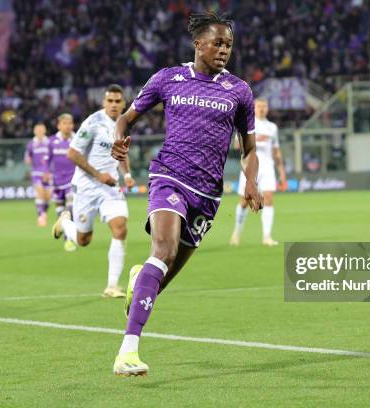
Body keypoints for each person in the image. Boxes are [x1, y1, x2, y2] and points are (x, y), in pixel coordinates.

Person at [110, 11, 262, 377]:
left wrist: (251, 181)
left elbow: (249, 148)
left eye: (228, 45)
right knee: (164, 249)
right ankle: (127, 351)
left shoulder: (238, 91)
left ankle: (141, 278)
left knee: (162, 274)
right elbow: (125, 117)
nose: (224, 50)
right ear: (199, 44)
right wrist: (119, 142)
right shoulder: (169, 78)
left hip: (208, 194)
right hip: (169, 176)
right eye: (217, 43)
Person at [51, 84, 136, 296]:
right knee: (83, 240)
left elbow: (121, 151)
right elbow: (72, 153)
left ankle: (112, 285)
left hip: (110, 186)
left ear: (124, 103)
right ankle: (65, 223)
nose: (114, 105)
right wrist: (98, 175)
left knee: (120, 228)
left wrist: (126, 175)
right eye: (110, 101)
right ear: (104, 102)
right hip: (87, 186)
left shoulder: (125, 123)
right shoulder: (93, 123)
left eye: (118, 101)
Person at [230, 98, 286, 246]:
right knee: (244, 202)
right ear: (254, 108)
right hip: (250, 166)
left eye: (264, 106)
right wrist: (254, 140)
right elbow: (237, 145)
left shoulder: (272, 127)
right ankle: (237, 231)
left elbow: (276, 151)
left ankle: (267, 236)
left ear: (267, 108)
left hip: (267, 166)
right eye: (259, 106)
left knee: (268, 198)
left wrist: (281, 172)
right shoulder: (247, 122)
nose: (262, 108)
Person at [48, 113, 77, 252]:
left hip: (73, 180)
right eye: (65, 123)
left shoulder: (78, 139)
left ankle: (68, 239)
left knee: (70, 209)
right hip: (56, 181)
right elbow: (46, 161)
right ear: (59, 125)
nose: (68, 126)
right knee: (60, 210)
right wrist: (45, 173)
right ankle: (63, 229)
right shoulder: (51, 141)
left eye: (70, 123)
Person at [24, 123, 51, 227]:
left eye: (41, 130)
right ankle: (41, 215)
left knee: (47, 196)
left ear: (44, 131)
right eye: (37, 130)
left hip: (48, 173)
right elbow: (27, 157)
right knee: (39, 192)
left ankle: (43, 211)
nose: (39, 131)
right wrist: (28, 159)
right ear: (34, 131)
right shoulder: (31, 144)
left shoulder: (49, 142)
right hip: (36, 172)